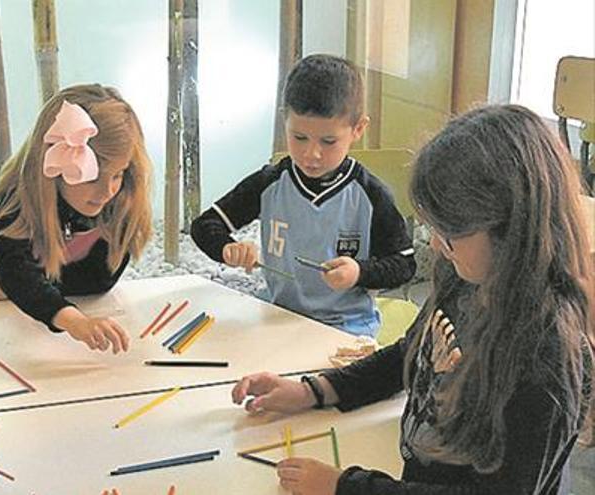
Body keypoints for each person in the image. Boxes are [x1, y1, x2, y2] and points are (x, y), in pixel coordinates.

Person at [231, 104, 594, 494]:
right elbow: (413, 353)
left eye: (450, 233)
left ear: (512, 231)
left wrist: (348, 488)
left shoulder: (549, 354)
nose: (437, 246)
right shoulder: (466, 274)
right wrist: (315, 390)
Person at [190, 54, 415, 336]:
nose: (312, 154)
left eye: (328, 141)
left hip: (346, 325)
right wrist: (227, 248)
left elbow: (404, 264)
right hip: (276, 316)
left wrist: (359, 272)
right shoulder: (270, 181)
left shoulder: (370, 195)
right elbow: (204, 226)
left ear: (358, 129)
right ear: (284, 121)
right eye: (299, 138)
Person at [0, 84, 152, 354]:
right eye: (92, 175)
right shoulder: (16, 201)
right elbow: (15, 272)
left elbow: (100, 281)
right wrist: (70, 318)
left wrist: (18, 287)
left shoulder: (121, 198)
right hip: (4, 327)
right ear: (52, 163)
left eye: (118, 174)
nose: (107, 191)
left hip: (50, 314)